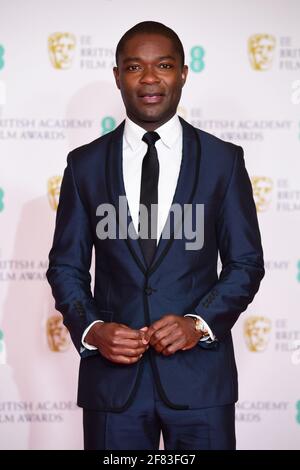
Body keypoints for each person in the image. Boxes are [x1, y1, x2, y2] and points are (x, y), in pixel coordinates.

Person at [47, 21, 264, 450]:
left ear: (183, 72)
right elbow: (66, 267)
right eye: (134, 67)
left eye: (163, 65)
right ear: (117, 76)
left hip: (201, 383)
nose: (149, 78)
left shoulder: (223, 161)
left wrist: (198, 324)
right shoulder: (84, 164)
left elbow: (245, 264)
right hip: (113, 386)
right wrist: (93, 329)